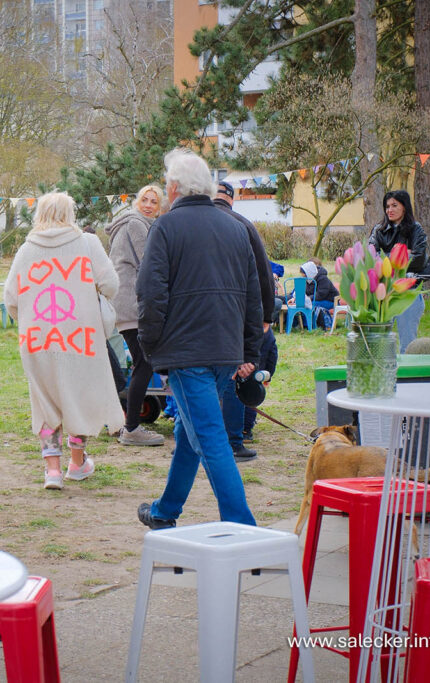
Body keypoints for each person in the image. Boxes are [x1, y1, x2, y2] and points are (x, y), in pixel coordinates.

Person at [135, 148, 262, 529]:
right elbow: (254, 295)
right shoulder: (236, 226)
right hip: (224, 350)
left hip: (186, 353)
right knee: (189, 432)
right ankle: (164, 511)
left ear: (173, 188)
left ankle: (243, 527)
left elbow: (150, 295)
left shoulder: (165, 227)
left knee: (209, 438)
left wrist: (151, 348)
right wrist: (250, 349)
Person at [3, 191, 124, 490]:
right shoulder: (88, 243)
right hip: (80, 337)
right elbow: (111, 284)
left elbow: (10, 298)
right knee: (79, 396)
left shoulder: (26, 250)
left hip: (37, 337)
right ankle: (77, 462)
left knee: (45, 402)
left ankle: (52, 471)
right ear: (70, 214)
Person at [213, 181, 274, 462]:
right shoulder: (242, 225)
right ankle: (234, 441)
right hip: (235, 311)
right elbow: (262, 273)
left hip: (196, 314)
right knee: (235, 374)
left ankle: (193, 443)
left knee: (197, 379)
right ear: (232, 200)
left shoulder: (185, 222)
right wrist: (265, 318)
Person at [107, 184, 166, 447]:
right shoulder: (135, 225)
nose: (149, 205)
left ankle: (129, 423)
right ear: (137, 202)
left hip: (127, 303)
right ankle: (131, 427)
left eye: (154, 202)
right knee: (144, 362)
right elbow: (149, 262)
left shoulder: (138, 224)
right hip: (132, 303)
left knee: (144, 362)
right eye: (145, 200)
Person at [368, 190, 430, 352]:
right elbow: (371, 257)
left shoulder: (416, 230)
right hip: (384, 292)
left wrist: (386, 259)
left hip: (408, 292)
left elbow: (418, 260)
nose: (390, 210)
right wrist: (401, 254)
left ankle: (407, 376)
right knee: (380, 341)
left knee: (408, 342)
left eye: (395, 205)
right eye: (387, 206)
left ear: (405, 207)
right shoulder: (378, 230)